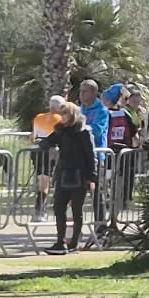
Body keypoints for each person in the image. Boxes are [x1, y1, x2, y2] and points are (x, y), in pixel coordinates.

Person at [45, 97, 97, 254]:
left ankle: (74, 241)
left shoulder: (83, 132)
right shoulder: (60, 129)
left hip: (79, 174)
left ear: (72, 114)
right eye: (61, 114)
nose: (63, 117)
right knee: (58, 207)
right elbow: (46, 141)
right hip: (63, 172)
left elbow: (90, 155)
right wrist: (51, 147)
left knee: (76, 210)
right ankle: (60, 241)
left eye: (65, 113)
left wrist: (91, 177)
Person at [30, 99, 61, 213]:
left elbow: (34, 134)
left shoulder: (38, 117)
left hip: (37, 149)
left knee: (40, 177)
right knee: (46, 178)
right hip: (50, 150)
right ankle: (41, 207)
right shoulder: (59, 119)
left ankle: (39, 206)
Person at [78, 79, 109, 150]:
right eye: (80, 91)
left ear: (94, 93)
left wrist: (77, 129)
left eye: (85, 91)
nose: (81, 94)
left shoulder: (102, 110)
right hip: (80, 153)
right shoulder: (78, 110)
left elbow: (96, 131)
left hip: (97, 154)